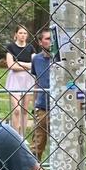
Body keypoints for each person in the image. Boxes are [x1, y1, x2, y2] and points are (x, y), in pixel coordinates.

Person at [4, 26, 35, 133]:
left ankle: (22, 135)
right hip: (14, 80)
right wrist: (26, 66)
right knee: (17, 110)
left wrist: (20, 63)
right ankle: (15, 134)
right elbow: (11, 65)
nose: (23, 35)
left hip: (28, 80)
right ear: (16, 34)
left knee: (25, 110)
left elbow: (33, 64)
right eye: (21, 33)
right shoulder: (10, 47)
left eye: (25, 33)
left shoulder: (30, 48)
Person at [30, 29, 53, 160]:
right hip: (43, 105)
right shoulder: (37, 59)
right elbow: (37, 81)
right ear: (40, 42)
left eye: (52, 39)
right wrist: (35, 104)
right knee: (38, 141)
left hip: (61, 105)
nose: (51, 42)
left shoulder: (61, 58)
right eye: (47, 39)